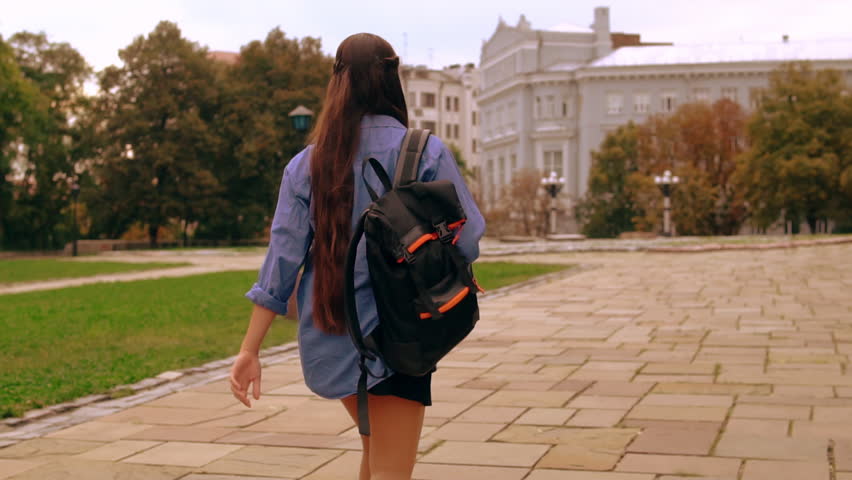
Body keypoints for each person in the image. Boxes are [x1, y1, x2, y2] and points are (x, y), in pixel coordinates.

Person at [229, 32, 485, 480]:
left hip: (334, 335)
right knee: (391, 470)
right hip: (403, 333)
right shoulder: (425, 151)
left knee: (376, 456)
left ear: (337, 83)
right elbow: (469, 238)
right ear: (392, 78)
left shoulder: (306, 164)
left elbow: (280, 265)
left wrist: (250, 350)